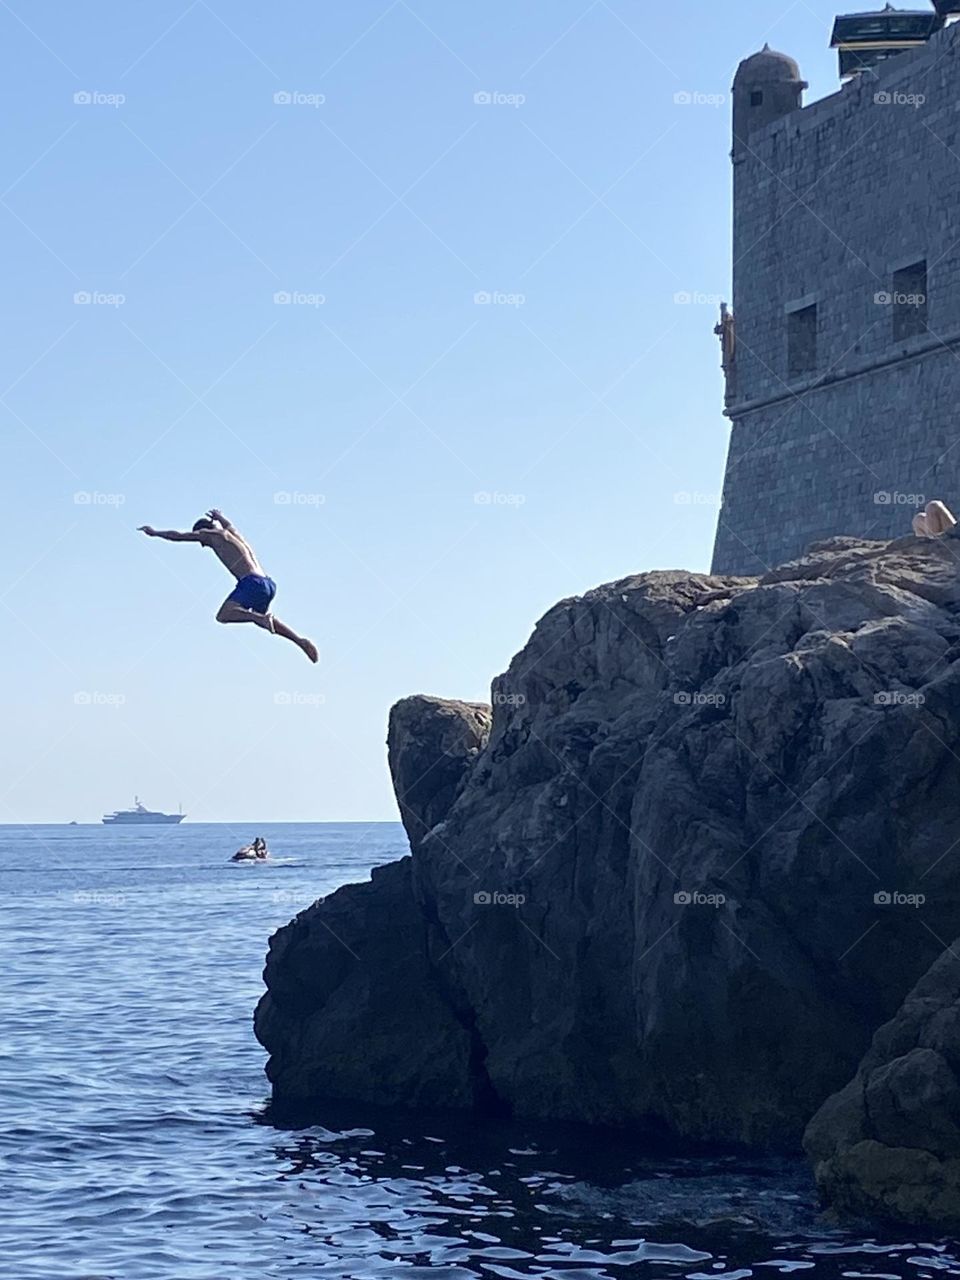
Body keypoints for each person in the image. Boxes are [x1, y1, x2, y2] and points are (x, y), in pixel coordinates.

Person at [138, 508, 318, 663]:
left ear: (203, 532)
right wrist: (220, 517)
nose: (203, 545)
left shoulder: (213, 535)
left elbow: (178, 536)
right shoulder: (233, 535)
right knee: (266, 621)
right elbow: (229, 524)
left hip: (251, 583)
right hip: (268, 584)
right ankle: (299, 640)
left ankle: (258, 618)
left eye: (201, 542)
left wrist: (155, 533)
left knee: (224, 615)